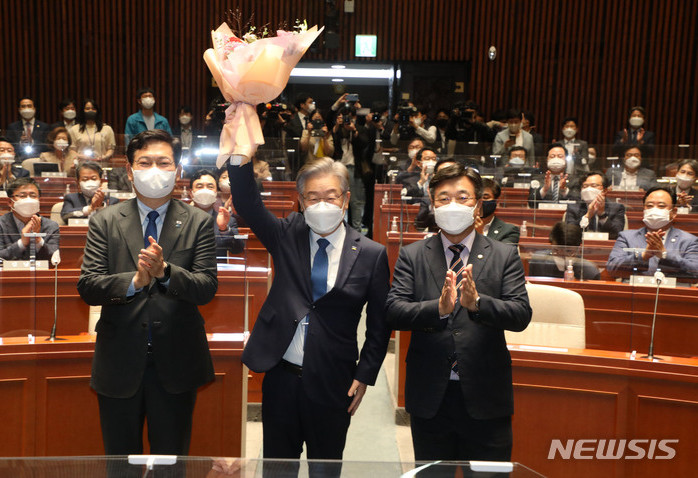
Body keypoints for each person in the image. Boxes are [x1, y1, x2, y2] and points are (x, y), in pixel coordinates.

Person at [227, 156, 391, 472]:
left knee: (325, 468)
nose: (321, 204)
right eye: (312, 198)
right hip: (281, 376)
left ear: (345, 199)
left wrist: (365, 374)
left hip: (334, 379)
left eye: (330, 197)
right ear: (301, 201)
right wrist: (240, 155)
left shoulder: (372, 253)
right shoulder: (286, 233)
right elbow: (247, 203)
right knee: (277, 467)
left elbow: (379, 323)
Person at [76, 129, 217, 458]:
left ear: (177, 170)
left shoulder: (199, 221)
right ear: (129, 170)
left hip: (178, 361)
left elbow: (206, 287)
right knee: (120, 463)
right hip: (119, 361)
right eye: (145, 162)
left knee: (171, 463)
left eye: (164, 162)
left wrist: (165, 273)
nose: (155, 169)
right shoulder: (105, 221)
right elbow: (88, 285)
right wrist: (135, 282)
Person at [385, 163, 531, 462]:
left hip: (486, 395)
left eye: (462, 197)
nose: (452, 204)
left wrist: (478, 304)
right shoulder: (412, 254)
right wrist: (437, 309)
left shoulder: (503, 254)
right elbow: (394, 311)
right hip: (430, 397)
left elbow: (520, 314)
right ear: (432, 202)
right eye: (443, 197)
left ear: (478, 204)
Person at [606, 187, 698, 280]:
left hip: (672, 292)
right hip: (635, 291)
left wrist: (665, 255)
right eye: (649, 206)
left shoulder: (689, 240)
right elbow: (612, 269)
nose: (654, 210)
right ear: (644, 210)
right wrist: (643, 256)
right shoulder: (627, 237)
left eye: (661, 206)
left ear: (673, 212)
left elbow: (695, 272)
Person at [0, 177, 60, 262]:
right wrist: (21, 243)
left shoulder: (51, 226)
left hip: (41, 274)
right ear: (10, 202)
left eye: (33, 196)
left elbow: (54, 260)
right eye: (22, 196)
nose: (28, 200)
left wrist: (38, 240)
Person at [189, 169, 244, 260]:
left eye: (210, 186)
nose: (205, 190)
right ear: (191, 193)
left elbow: (238, 249)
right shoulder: (179, 219)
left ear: (216, 193)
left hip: (217, 271)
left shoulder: (228, 221)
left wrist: (224, 229)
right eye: (199, 186)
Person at [528, 222, 601, 280]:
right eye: (556, 250)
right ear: (551, 245)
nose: (561, 255)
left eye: (568, 251)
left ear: (578, 248)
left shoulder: (590, 271)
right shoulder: (538, 261)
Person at [565, 171, 625, 239]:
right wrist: (588, 216)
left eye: (594, 186)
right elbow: (568, 233)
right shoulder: (573, 207)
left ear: (605, 190)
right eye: (585, 186)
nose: (588, 189)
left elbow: (617, 234)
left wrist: (602, 214)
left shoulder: (617, 208)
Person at [69, 98, 117, 164]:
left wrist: (105, 156)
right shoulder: (74, 129)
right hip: (82, 164)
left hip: (101, 164)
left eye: (93, 109)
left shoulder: (107, 128)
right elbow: (71, 150)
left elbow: (111, 148)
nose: (90, 111)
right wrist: (81, 156)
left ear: (97, 111)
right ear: (82, 111)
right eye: (87, 109)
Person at [475, 178, 520, 244]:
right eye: (477, 198)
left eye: (485, 198)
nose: (480, 202)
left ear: (497, 201)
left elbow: (503, 253)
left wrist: (479, 236)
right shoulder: (462, 226)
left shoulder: (509, 231)